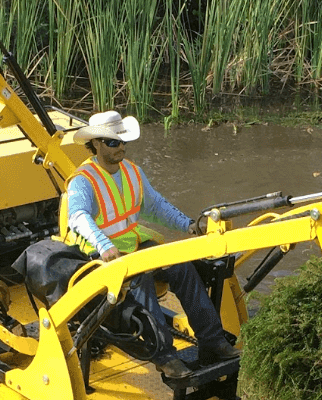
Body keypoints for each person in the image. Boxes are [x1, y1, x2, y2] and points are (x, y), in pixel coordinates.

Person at [63, 110, 238, 380]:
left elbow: (156, 207)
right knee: (141, 279)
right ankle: (165, 357)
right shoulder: (83, 181)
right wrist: (103, 245)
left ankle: (213, 340)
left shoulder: (133, 172)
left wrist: (189, 225)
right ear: (96, 143)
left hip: (131, 246)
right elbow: (78, 217)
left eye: (123, 141)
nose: (120, 147)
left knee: (181, 266)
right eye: (113, 143)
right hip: (96, 257)